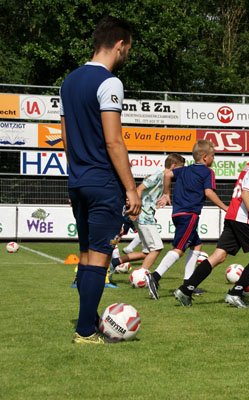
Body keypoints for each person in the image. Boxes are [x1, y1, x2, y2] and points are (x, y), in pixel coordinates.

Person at [60, 15, 140, 344]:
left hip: (78, 180)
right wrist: (131, 188)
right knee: (99, 258)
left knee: (86, 255)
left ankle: (90, 320)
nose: (127, 54)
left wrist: (78, 172)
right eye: (128, 48)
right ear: (119, 44)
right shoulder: (109, 82)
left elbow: (66, 138)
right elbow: (114, 141)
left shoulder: (68, 82)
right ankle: (85, 332)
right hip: (103, 183)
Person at [172, 130, 249, 308]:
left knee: (219, 256)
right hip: (243, 219)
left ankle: (185, 290)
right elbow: (246, 194)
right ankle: (235, 293)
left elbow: (242, 195)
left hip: (233, 216)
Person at [145, 140, 228, 299]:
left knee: (197, 245)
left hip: (178, 214)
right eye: (213, 156)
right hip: (189, 215)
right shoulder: (207, 172)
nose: (214, 159)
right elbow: (209, 192)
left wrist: (166, 193)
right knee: (179, 249)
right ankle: (154, 276)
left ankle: (188, 284)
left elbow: (167, 174)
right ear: (205, 157)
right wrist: (225, 207)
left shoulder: (184, 170)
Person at [110, 153, 186, 274]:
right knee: (157, 248)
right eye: (180, 168)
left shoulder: (163, 179)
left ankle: (114, 262)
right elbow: (139, 189)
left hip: (144, 215)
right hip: (143, 216)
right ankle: (141, 275)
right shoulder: (158, 175)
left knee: (146, 253)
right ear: (173, 165)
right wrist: (135, 210)